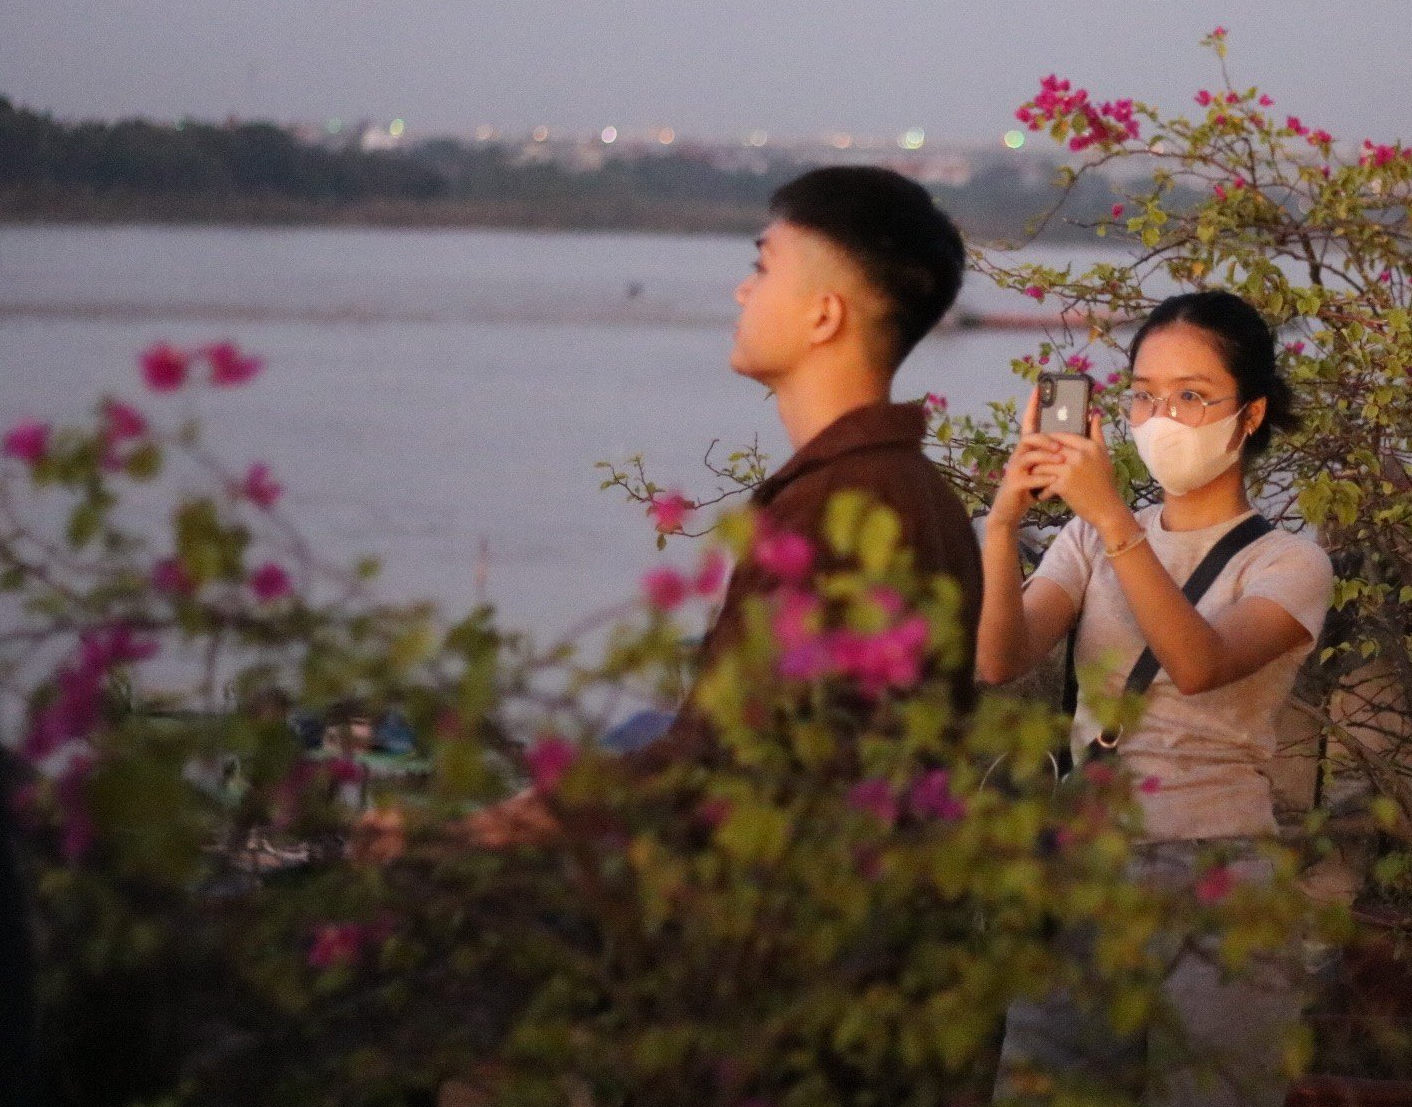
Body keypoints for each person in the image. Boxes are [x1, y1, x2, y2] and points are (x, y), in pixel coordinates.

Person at [362, 165, 982, 853]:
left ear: (824, 314)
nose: (742, 290)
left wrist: (481, 834)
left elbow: (723, 765)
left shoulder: (843, 505)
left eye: (763, 267)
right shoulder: (911, 489)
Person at [976, 290, 1339, 1107]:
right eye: (1144, 393)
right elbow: (1000, 656)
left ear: (1249, 416)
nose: (1160, 415)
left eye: (1191, 395)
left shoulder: (1288, 563)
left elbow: (1198, 662)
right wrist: (1002, 527)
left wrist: (1111, 517)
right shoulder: (1086, 539)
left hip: (1220, 870)